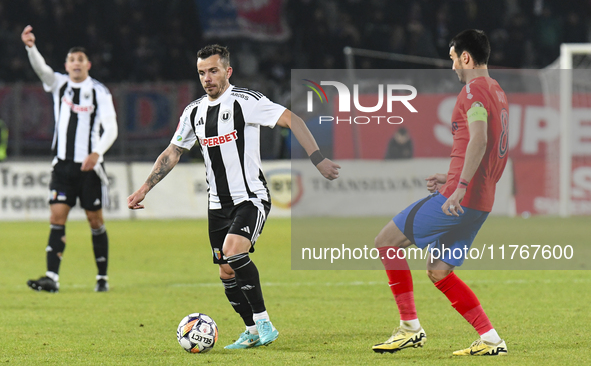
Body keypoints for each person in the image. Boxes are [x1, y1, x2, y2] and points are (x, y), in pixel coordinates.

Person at [127, 44, 340, 349]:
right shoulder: (194, 112)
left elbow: (294, 120)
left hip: (250, 197)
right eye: (201, 72)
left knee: (233, 251)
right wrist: (144, 188)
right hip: (217, 204)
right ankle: (251, 330)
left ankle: (265, 322)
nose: (207, 78)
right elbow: (173, 151)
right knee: (226, 271)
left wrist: (318, 158)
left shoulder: (246, 101)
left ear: (227, 71)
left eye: (213, 71)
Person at [372, 30, 509, 356]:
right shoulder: (497, 91)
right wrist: (453, 176)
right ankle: (490, 339)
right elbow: (492, 150)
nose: (452, 68)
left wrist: (458, 187)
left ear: (465, 57)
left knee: (386, 241)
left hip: (460, 199)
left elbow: (479, 140)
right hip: (481, 201)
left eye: (452, 59)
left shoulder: (473, 91)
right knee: (438, 270)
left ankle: (410, 328)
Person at [22, 25, 118, 293]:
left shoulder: (99, 92)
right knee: (57, 216)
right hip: (63, 166)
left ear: (88, 64)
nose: (76, 64)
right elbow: (41, 69)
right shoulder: (59, 85)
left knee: (95, 221)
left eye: (80, 60)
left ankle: (102, 278)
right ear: (66, 65)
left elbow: (111, 127)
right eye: (71, 60)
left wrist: (97, 152)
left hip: (90, 167)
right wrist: (31, 47)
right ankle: (51, 277)